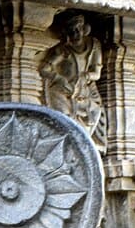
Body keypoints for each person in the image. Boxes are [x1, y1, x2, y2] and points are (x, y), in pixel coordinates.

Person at [40, 13, 105, 147]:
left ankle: (83, 145)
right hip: (63, 92)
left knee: (95, 112)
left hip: (84, 92)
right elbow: (44, 69)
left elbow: (97, 73)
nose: (76, 33)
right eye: (72, 31)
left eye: (78, 29)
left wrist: (85, 77)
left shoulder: (94, 46)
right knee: (63, 119)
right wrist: (59, 78)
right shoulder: (63, 50)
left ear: (84, 29)